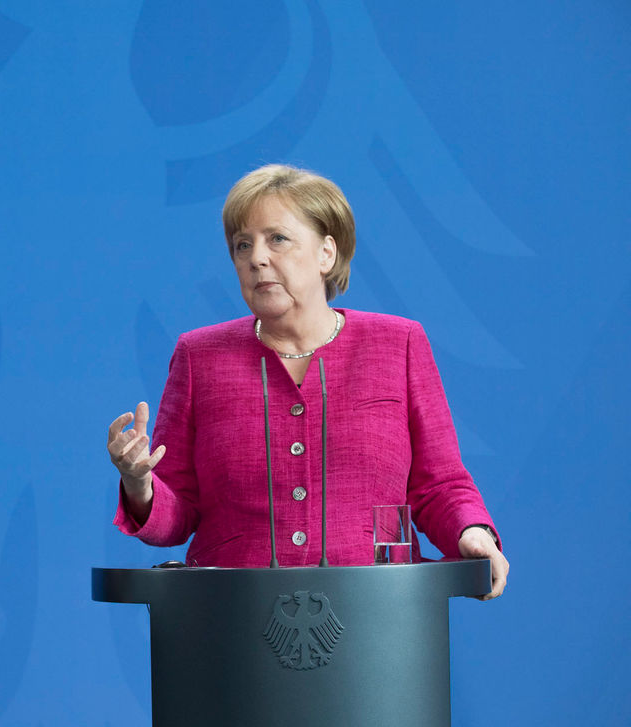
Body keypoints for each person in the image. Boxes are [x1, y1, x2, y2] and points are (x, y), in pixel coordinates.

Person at [106, 163, 508, 600]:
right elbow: (178, 512)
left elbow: (440, 484)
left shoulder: (399, 344)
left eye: (277, 238)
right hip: (231, 620)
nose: (256, 257)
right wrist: (140, 484)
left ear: (327, 254)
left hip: (380, 615)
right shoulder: (199, 356)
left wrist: (472, 532)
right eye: (242, 245)